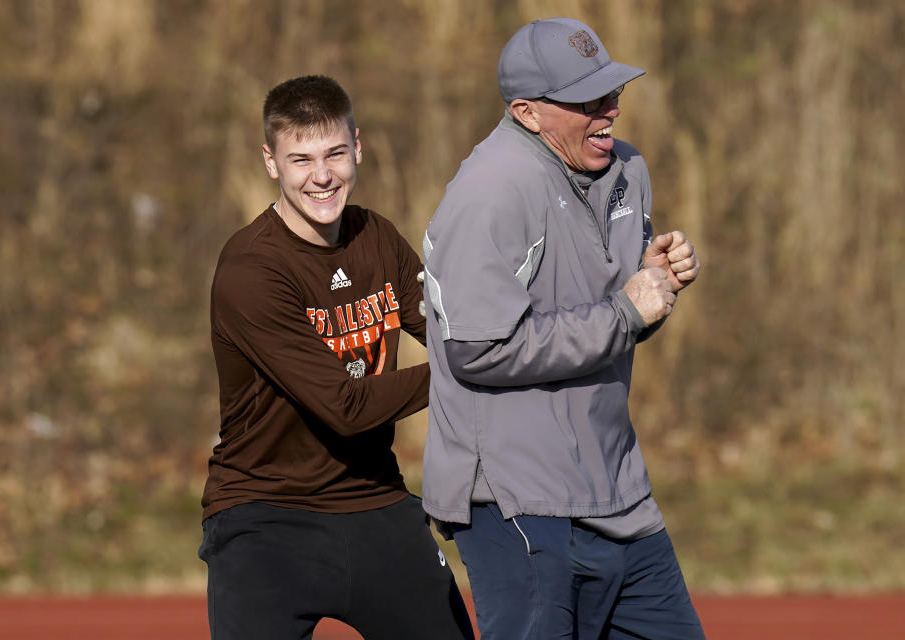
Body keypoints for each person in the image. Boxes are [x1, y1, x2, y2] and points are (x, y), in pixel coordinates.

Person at [421, 18, 706, 640]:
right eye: (586, 101)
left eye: (611, 93)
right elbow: (479, 349)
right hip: (515, 495)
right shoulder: (489, 193)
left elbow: (610, 319)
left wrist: (654, 287)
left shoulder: (628, 171)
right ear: (527, 112)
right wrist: (628, 310)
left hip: (615, 486)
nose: (609, 111)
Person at [198, 75, 474, 640]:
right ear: (271, 162)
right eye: (300, 159)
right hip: (266, 515)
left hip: (374, 497)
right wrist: (466, 369)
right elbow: (344, 407)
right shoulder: (251, 270)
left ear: (358, 149)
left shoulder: (377, 236)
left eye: (335, 154)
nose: (321, 176)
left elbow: (460, 334)